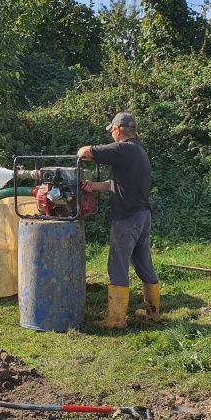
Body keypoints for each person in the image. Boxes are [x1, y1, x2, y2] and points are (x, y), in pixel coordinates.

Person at [77, 111, 160, 328]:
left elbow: (85, 151)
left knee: (117, 265)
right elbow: (119, 185)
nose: (111, 134)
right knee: (143, 263)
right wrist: (94, 186)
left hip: (127, 218)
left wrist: (83, 154)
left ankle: (115, 319)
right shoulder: (138, 152)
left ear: (117, 130)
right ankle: (153, 312)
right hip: (143, 216)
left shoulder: (122, 149)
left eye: (112, 130)